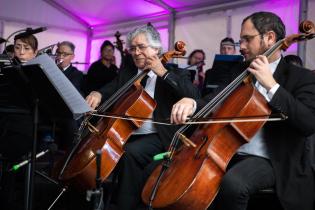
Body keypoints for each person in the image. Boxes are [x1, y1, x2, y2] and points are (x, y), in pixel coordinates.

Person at [171, 11, 315, 210]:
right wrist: (192, 103)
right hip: (229, 151)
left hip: (271, 159)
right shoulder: (240, 71)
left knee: (233, 184)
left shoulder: (301, 77)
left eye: (247, 39)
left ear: (270, 38)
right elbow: (215, 98)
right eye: (241, 41)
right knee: (183, 174)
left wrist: (272, 86)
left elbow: (308, 123)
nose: (243, 47)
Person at [85, 24, 200, 210]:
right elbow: (113, 87)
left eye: (141, 47)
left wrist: (162, 72)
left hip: (159, 136)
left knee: (130, 153)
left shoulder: (176, 72)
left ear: (156, 48)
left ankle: (123, 205)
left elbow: (193, 94)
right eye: (132, 48)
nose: (136, 52)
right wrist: (98, 93)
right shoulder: (129, 72)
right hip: (127, 131)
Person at [0, 33, 39, 210]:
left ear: (35, 52)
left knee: (9, 155)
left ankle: (8, 198)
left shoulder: (39, 74)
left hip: (26, 124)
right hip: (5, 120)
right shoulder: (7, 71)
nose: (21, 52)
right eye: (17, 47)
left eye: (26, 48)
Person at [54, 41, 84, 150]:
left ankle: (70, 153)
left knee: (73, 122)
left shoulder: (77, 74)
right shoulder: (50, 70)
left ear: (72, 57)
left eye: (65, 54)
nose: (60, 57)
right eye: (58, 53)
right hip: (51, 110)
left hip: (66, 112)